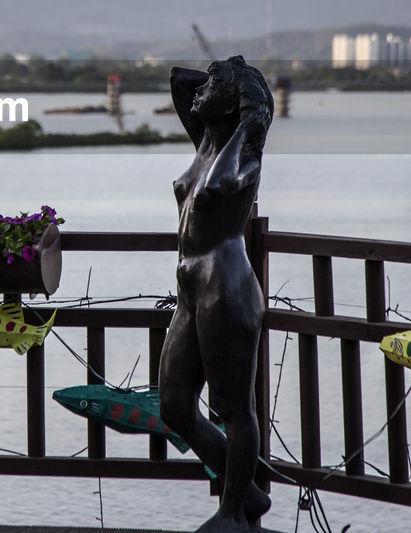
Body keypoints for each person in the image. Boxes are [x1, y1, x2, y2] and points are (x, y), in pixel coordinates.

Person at [159, 56, 273, 532]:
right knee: (174, 405)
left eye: (211, 88)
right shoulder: (208, 138)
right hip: (191, 283)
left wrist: (251, 115)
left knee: (232, 406)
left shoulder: (243, 151)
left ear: (230, 105)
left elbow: (223, 185)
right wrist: (221, 75)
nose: (197, 93)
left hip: (226, 286)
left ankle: (232, 512)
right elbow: (179, 81)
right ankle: (245, 487)